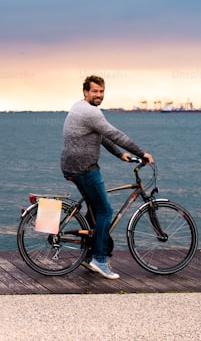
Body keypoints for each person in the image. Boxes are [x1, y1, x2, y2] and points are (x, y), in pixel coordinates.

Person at [61, 75, 153, 280]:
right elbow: (115, 134)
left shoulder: (78, 107)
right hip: (84, 168)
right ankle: (100, 259)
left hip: (72, 167)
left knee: (94, 210)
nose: (99, 95)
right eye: (95, 91)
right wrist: (141, 153)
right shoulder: (90, 112)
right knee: (105, 210)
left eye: (101, 91)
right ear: (85, 92)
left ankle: (87, 254)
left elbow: (101, 135)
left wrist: (120, 154)